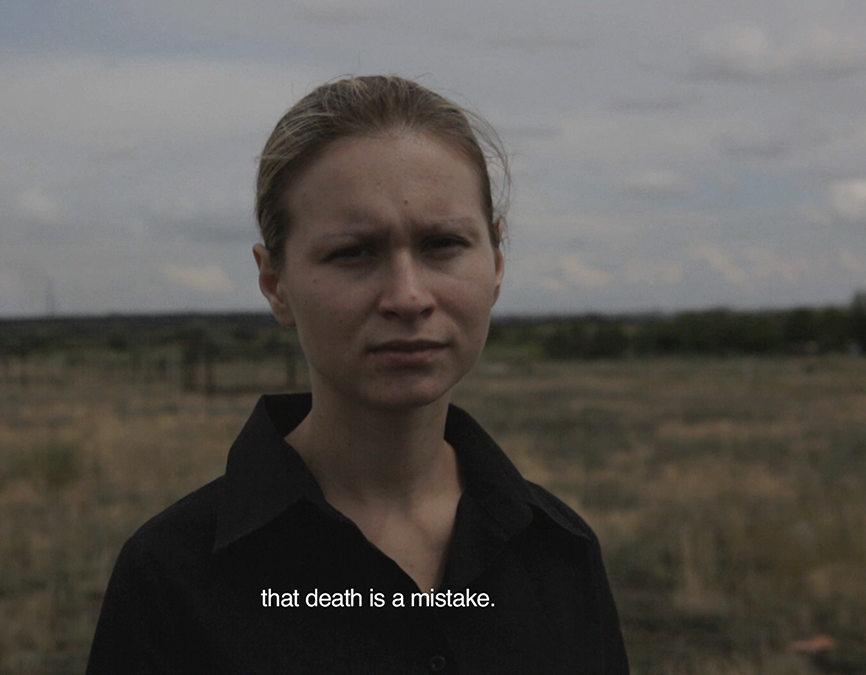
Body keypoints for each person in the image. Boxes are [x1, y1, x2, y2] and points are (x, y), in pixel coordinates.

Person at [86, 75, 629, 674]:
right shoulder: (172, 579)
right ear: (275, 282)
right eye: (353, 252)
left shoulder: (561, 555)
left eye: (443, 243)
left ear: (496, 263)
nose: (408, 297)